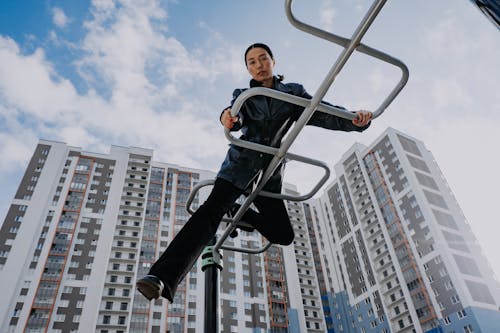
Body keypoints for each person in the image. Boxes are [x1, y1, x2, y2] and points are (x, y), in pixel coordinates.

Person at [136, 43, 372, 302]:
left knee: (284, 234)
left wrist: (355, 120)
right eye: (252, 62)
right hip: (241, 165)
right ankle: (161, 277)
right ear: (247, 68)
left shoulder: (292, 92)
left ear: (273, 61)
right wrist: (228, 118)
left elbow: (322, 113)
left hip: (269, 172)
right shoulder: (244, 95)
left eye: (263, 59)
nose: (259, 65)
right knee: (209, 212)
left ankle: (238, 211)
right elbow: (234, 116)